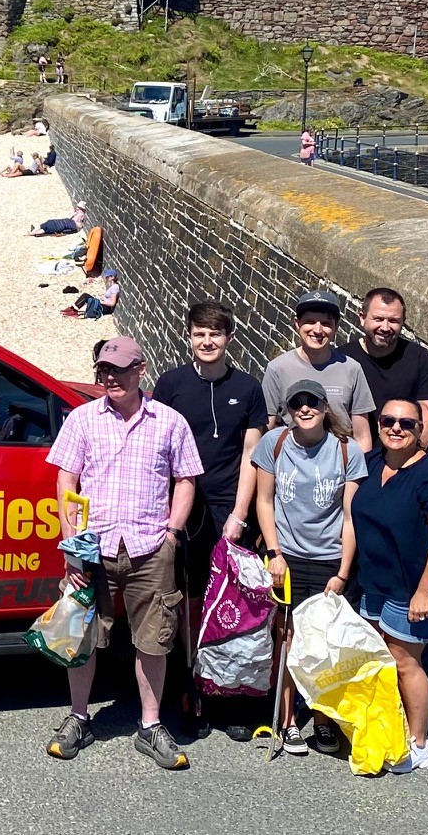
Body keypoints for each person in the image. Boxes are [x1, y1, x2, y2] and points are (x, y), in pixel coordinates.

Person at [43, 337, 200, 772]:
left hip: (151, 547)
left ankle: (150, 727)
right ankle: (78, 718)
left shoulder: (169, 422)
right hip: (93, 549)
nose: (109, 377)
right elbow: (67, 482)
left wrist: (172, 531)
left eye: (119, 369)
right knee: (82, 638)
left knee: (154, 640)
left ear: (141, 370)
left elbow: (185, 478)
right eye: (103, 370)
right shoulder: (82, 419)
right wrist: (71, 546)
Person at [151, 300, 269, 738]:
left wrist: (239, 515)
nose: (207, 341)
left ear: (229, 338)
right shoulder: (172, 383)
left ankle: (232, 693)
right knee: (190, 598)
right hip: (185, 505)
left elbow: (252, 454)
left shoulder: (249, 387)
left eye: (215, 334)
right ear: (189, 336)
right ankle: (193, 688)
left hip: (229, 505)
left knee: (235, 602)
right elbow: (157, 445)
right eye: (199, 333)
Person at [251, 378, 366, 756]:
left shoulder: (347, 451)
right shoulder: (275, 443)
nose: (305, 408)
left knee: (325, 645)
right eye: (297, 402)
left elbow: (350, 516)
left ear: (324, 407)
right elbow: (264, 501)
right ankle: (287, 721)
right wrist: (274, 554)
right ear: (287, 407)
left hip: (328, 559)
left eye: (312, 401)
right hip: (287, 557)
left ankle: (322, 719)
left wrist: (343, 571)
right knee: (286, 638)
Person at [350, 398, 428, 773]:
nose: (396, 428)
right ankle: (390, 726)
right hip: (376, 583)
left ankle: (419, 744)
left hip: (413, 588)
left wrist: (424, 592)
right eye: (388, 420)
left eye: (407, 424)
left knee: (404, 662)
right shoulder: (371, 465)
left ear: (421, 431)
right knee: (381, 658)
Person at [261, 290, 375, 453]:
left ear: (336, 327)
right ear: (297, 324)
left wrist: (359, 474)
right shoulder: (277, 369)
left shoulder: (352, 368)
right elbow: (267, 429)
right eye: (310, 321)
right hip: (293, 464)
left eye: (326, 323)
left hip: (339, 465)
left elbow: (362, 435)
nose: (318, 330)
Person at [340, 288, 428, 451]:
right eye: (378, 319)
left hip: (404, 454)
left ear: (403, 322)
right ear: (362, 318)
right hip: (355, 455)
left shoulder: (418, 358)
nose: (385, 327)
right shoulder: (343, 359)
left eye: (393, 321)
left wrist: (407, 458)